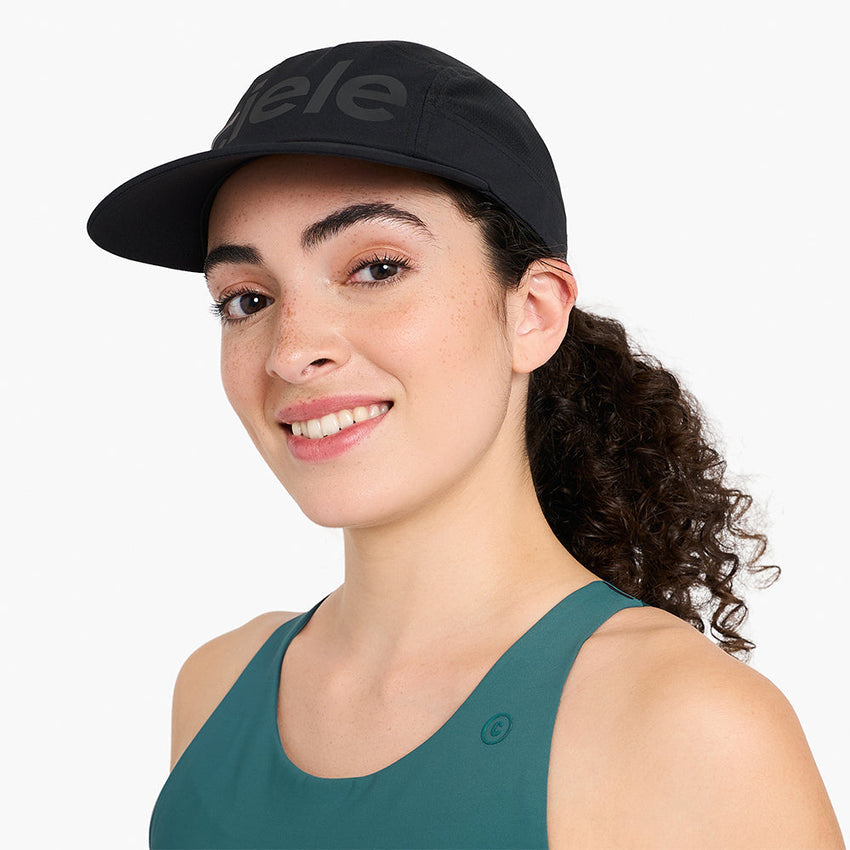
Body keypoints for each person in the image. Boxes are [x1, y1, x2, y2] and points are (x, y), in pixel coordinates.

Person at [88, 40, 844, 849]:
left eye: (377, 268)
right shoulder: (216, 687)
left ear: (534, 313)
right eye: (246, 299)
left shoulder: (686, 725)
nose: (290, 351)